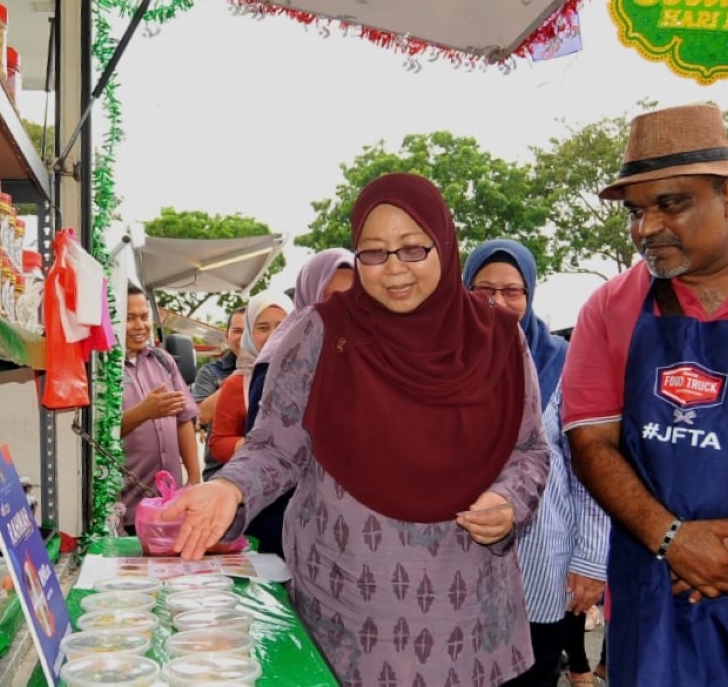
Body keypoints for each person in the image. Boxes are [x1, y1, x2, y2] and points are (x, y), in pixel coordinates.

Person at [165, 172, 550, 686]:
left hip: (468, 613)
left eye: (413, 249)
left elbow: (530, 449)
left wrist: (510, 501)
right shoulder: (321, 333)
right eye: (373, 252)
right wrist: (228, 487)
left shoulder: (497, 338)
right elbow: (276, 449)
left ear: (444, 243)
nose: (393, 270)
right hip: (348, 608)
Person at [560, 103, 728, 687]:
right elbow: (591, 443)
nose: (646, 228)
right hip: (659, 591)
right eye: (636, 211)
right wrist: (674, 540)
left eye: (670, 203)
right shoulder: (610, 307)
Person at [464, 240, 609, 687]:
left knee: (532, 673)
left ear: (529, 296)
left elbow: (591, 468)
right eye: (483, 289)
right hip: (458, 561)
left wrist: (590, 559)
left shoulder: (564, 365)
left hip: (541, 557)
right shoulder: (442, 363)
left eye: (512, 290)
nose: (497, 301)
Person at [242, 248, 354, 557]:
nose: (343, 308)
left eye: (356, 297)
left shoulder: (359, 355)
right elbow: (266, 449)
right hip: (284, 522)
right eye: (330, 298)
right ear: (308, 297)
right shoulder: (281, 359)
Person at [120, 284, 200, 531]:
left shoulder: (163, 361)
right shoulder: (102, 367)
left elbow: (183, 420)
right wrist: (143, 412)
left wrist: (194, 479)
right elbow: (96, 435)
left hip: (171, 506)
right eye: (129, 319)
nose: (140, 326)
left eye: (144, 317)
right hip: (128, 510)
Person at [206, 292, 292, 463]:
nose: (273, 335)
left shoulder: (314, 373)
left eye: (282, 326)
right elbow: (218, 444)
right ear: (250, 335)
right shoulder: (239, 383)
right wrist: (256, 445)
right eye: (262, 328)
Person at [192, 307, 245, 480]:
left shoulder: (276, 369)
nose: (243, 337)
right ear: (226, 335)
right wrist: (243, 374)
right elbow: (202, 415)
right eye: (237, 331)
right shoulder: (210, 372)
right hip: (221, 471)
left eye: (249, 331)